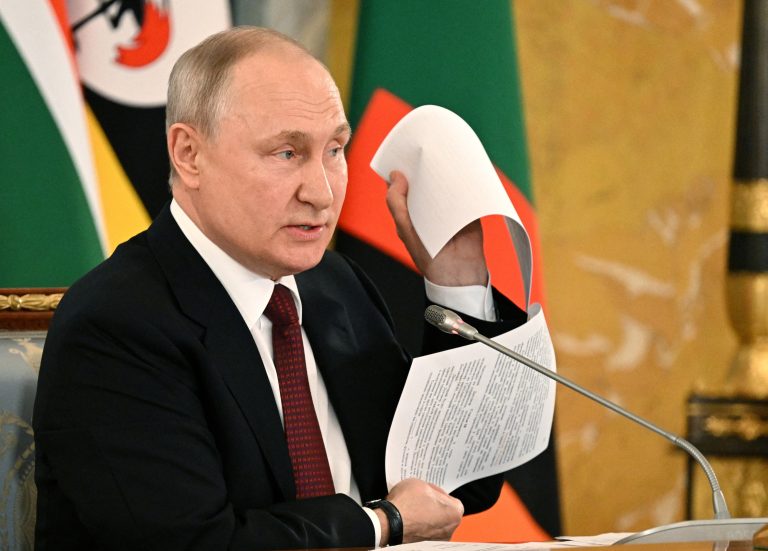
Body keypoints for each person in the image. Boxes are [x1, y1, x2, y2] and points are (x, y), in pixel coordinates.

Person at [33, 26, 527, 550]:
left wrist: (458, 281)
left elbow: (457, 485)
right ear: (189, 154)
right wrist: (382, 524)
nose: (321, 193)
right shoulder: (117, 324)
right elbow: (199, 543)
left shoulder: (334, 287)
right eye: (287, 153)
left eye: (334, 149)